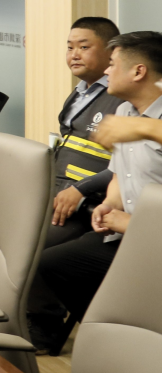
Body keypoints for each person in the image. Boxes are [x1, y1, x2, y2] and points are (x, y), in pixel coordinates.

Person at [38, 31, 162, 328]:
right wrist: (109, 203)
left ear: (138, 71)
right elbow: (120, 172)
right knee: (52, 264)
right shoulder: (124, 110)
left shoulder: (138, 122)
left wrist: (143, 129)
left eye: (113, 64)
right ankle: (105, 330)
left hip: (152, 237)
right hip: (124, 233)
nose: (107, 72)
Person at [28, 16, 122, 352]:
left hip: (90, 203)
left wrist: (81, 191)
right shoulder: (81, 92)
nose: (74, 54)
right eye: (70, 47)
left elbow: (125, 167)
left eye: (84, 47)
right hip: (57, 191)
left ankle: (44, 325)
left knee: (33, 244)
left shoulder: (121, 100)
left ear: (111, 53)